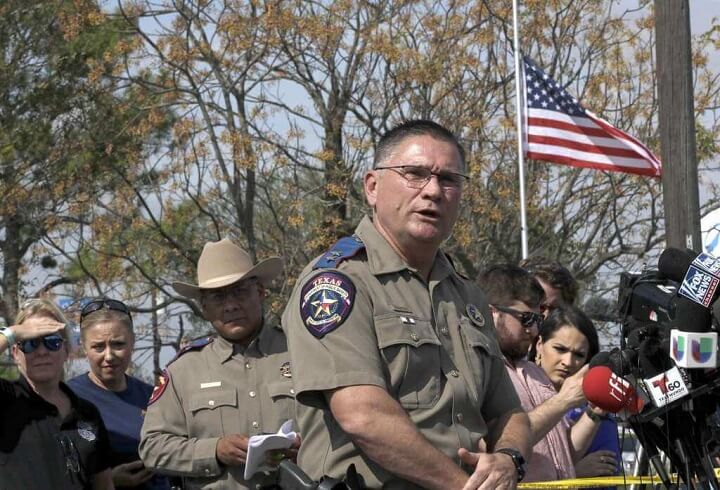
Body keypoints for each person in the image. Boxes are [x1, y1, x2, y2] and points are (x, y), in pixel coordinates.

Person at [283, 120, 532, 489]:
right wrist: (462, 487)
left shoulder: (469, 297)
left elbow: (508, 412)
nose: (433, 190)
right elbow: (363, 416)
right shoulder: (337, 284)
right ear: (372, 186)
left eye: (448, 180)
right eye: (414, 174)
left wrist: (510, 459)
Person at [139, 239, 298, 489]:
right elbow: (152, 448)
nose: (231, 305)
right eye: (218, 297)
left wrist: (308, 447)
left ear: (260, 292)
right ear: (204, 307)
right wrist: (214, 450)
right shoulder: (183, 371)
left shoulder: (300, 353)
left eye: (239, 291)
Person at [478, 265, 603, 483]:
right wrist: (563, 401)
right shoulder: (478, 370)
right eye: (526, 318)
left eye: (538, 320)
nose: (534, 330)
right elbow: (499, 445)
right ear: (492, 313)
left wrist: (595, 412)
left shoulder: (535, 372)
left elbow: (564, 452)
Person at [0, 298, 114, 489]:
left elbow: (103, 483)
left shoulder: (87, 413)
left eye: (52, 342)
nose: (42, 351)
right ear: (15, 352)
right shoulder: (6, 398)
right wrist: (13, 332)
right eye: (30, 343)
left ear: (67, 350)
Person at [68, 298, 171, 490]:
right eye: (98, 346)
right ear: (84, 347)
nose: (109, 356)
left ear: (132, 342)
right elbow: (54, 472)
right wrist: (107, 481)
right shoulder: (68, 398)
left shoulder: (151, 395)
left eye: (118, 344)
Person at [532, 307, 620, 483]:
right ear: (540, 345)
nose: (568, 362)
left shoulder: (597, 415)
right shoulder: (513, 389)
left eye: (579, 355)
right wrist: (574, 474)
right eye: (560, 349)